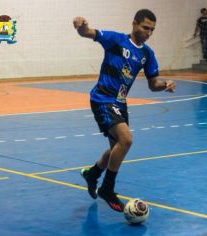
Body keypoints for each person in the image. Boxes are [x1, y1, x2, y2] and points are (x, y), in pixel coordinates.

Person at [73, 9, 176, 212]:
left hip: (119, 103)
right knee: (126, 140)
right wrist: (81, 26)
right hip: (103, 98)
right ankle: (107, 189)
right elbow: (88, 33)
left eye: (152, 30)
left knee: (115, 150)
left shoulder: (147, 54)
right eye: (145, 27)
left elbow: (152, 83)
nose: (148, 32)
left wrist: (164, 84)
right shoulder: (116, 40)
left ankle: (92, 174)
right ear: (134, 23)